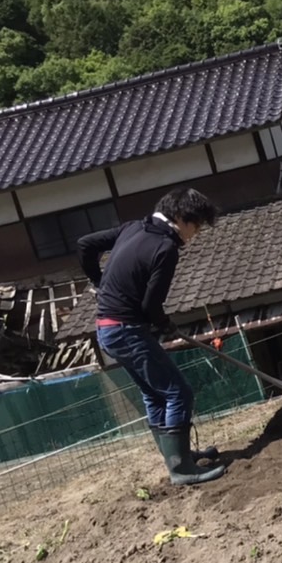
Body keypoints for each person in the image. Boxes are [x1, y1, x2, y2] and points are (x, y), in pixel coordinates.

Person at [79, 187, 227, 485]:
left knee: (154, 392)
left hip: (107, 328)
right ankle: (181, 468)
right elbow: (150, 304)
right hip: (126, 329)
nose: (194, 235)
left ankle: (178, 456)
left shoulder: (133, 227)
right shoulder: (165, 248)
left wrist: (100, 283)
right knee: (178, 392)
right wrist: (165, 324)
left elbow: (86, 244)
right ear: (181, 218)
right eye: (195, 226)